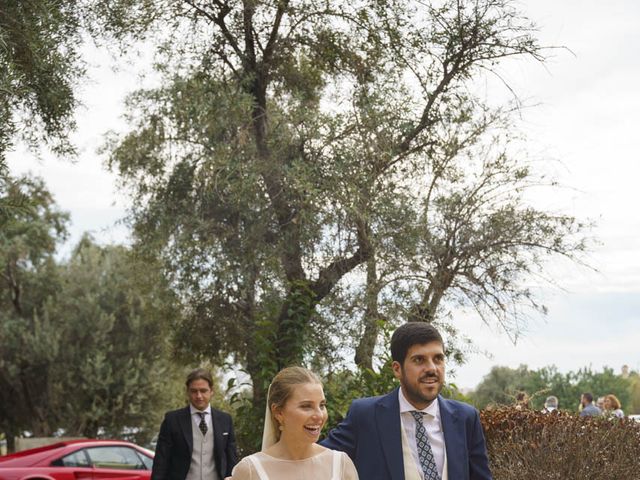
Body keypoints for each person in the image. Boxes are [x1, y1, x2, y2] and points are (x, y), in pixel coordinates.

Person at [321, 322, 492, 480]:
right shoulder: (365, 415)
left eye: (438, 358)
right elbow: (315, 459)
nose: (432, 368)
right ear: (397, 369)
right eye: (419, 360)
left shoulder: (466, 417)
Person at [230, 366, 358, 479]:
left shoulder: (341, 465)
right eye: (306, 406)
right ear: (278, 412)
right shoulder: (250, 471)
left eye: (322, 405)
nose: (319, 415)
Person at [151, 368, 238, 480]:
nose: (199, 396)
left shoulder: (225, 420)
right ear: (188, 391)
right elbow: (161, 461)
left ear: (211, 391)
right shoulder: (172, 420)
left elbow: (231, 459)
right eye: (194, 391)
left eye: (203, 391)